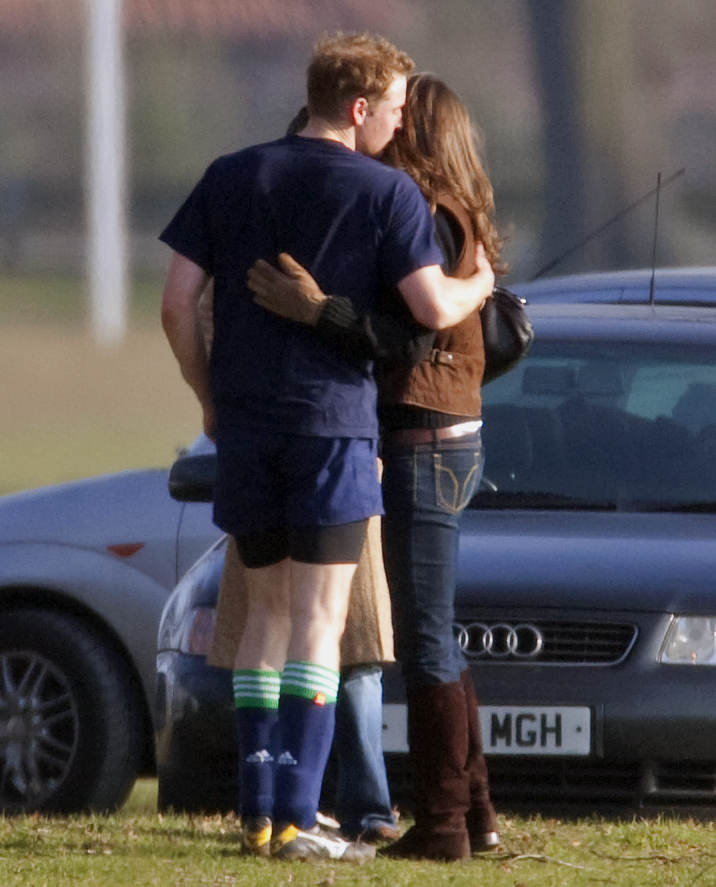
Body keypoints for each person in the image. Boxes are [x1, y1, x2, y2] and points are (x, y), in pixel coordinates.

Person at [160, 30, 494, 861]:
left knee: (260, 625)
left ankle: (259, 811)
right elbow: (425, 307)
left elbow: (175, 302)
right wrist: (480, 283)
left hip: (244, 428)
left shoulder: (230, 175)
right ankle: (304, 819)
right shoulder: (385, 193)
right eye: (390, 107)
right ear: (357, 107)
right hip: (333, 432)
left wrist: (208, 397)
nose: (397, 122)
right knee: (317, 625)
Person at [246, 72, 504, 861]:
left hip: (424, 438)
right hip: (447, 435)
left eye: (398, 118)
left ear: (414, 132)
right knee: (438, 632)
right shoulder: (452, 215)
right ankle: (477, 811)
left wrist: (315, 309)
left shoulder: (423, 216)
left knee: (424, 637)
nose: (382, 130)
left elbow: (404, 336)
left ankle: (443, 825)